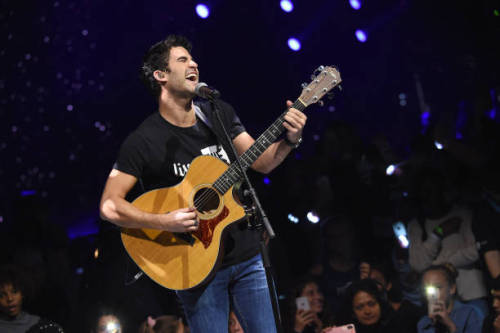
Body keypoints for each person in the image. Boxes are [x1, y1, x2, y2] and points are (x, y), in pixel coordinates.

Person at [99, 34, 307, 333]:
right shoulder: (143, 140)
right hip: (194, 266)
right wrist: (163, 221)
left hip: (248, 256)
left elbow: (261, 162)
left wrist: (291, 140)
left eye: (193, 59)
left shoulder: (217, 114)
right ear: (161, 76)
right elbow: (109, 205)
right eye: (182, 60)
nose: (193, 63)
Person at [408, 167, 488, 316]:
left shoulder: (462, 213)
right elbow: (417, 264)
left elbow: (476, 250)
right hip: (437, 300)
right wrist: (437, 234)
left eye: (433, 189)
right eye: (424, 191)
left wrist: (440, 264)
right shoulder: (416, 224)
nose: (429, 196)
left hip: (471, 294)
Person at [417, 264, 483, 333]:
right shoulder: (424, 323)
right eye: (427, 290)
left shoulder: (470, 313)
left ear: (452, 288)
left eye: (437, 287)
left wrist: (450, 326)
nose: (432, 294)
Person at [0, 265, 64, 333]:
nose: (10, 299)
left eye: (14, 292)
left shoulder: (40, 325)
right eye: (1, 295)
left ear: (22, 293)